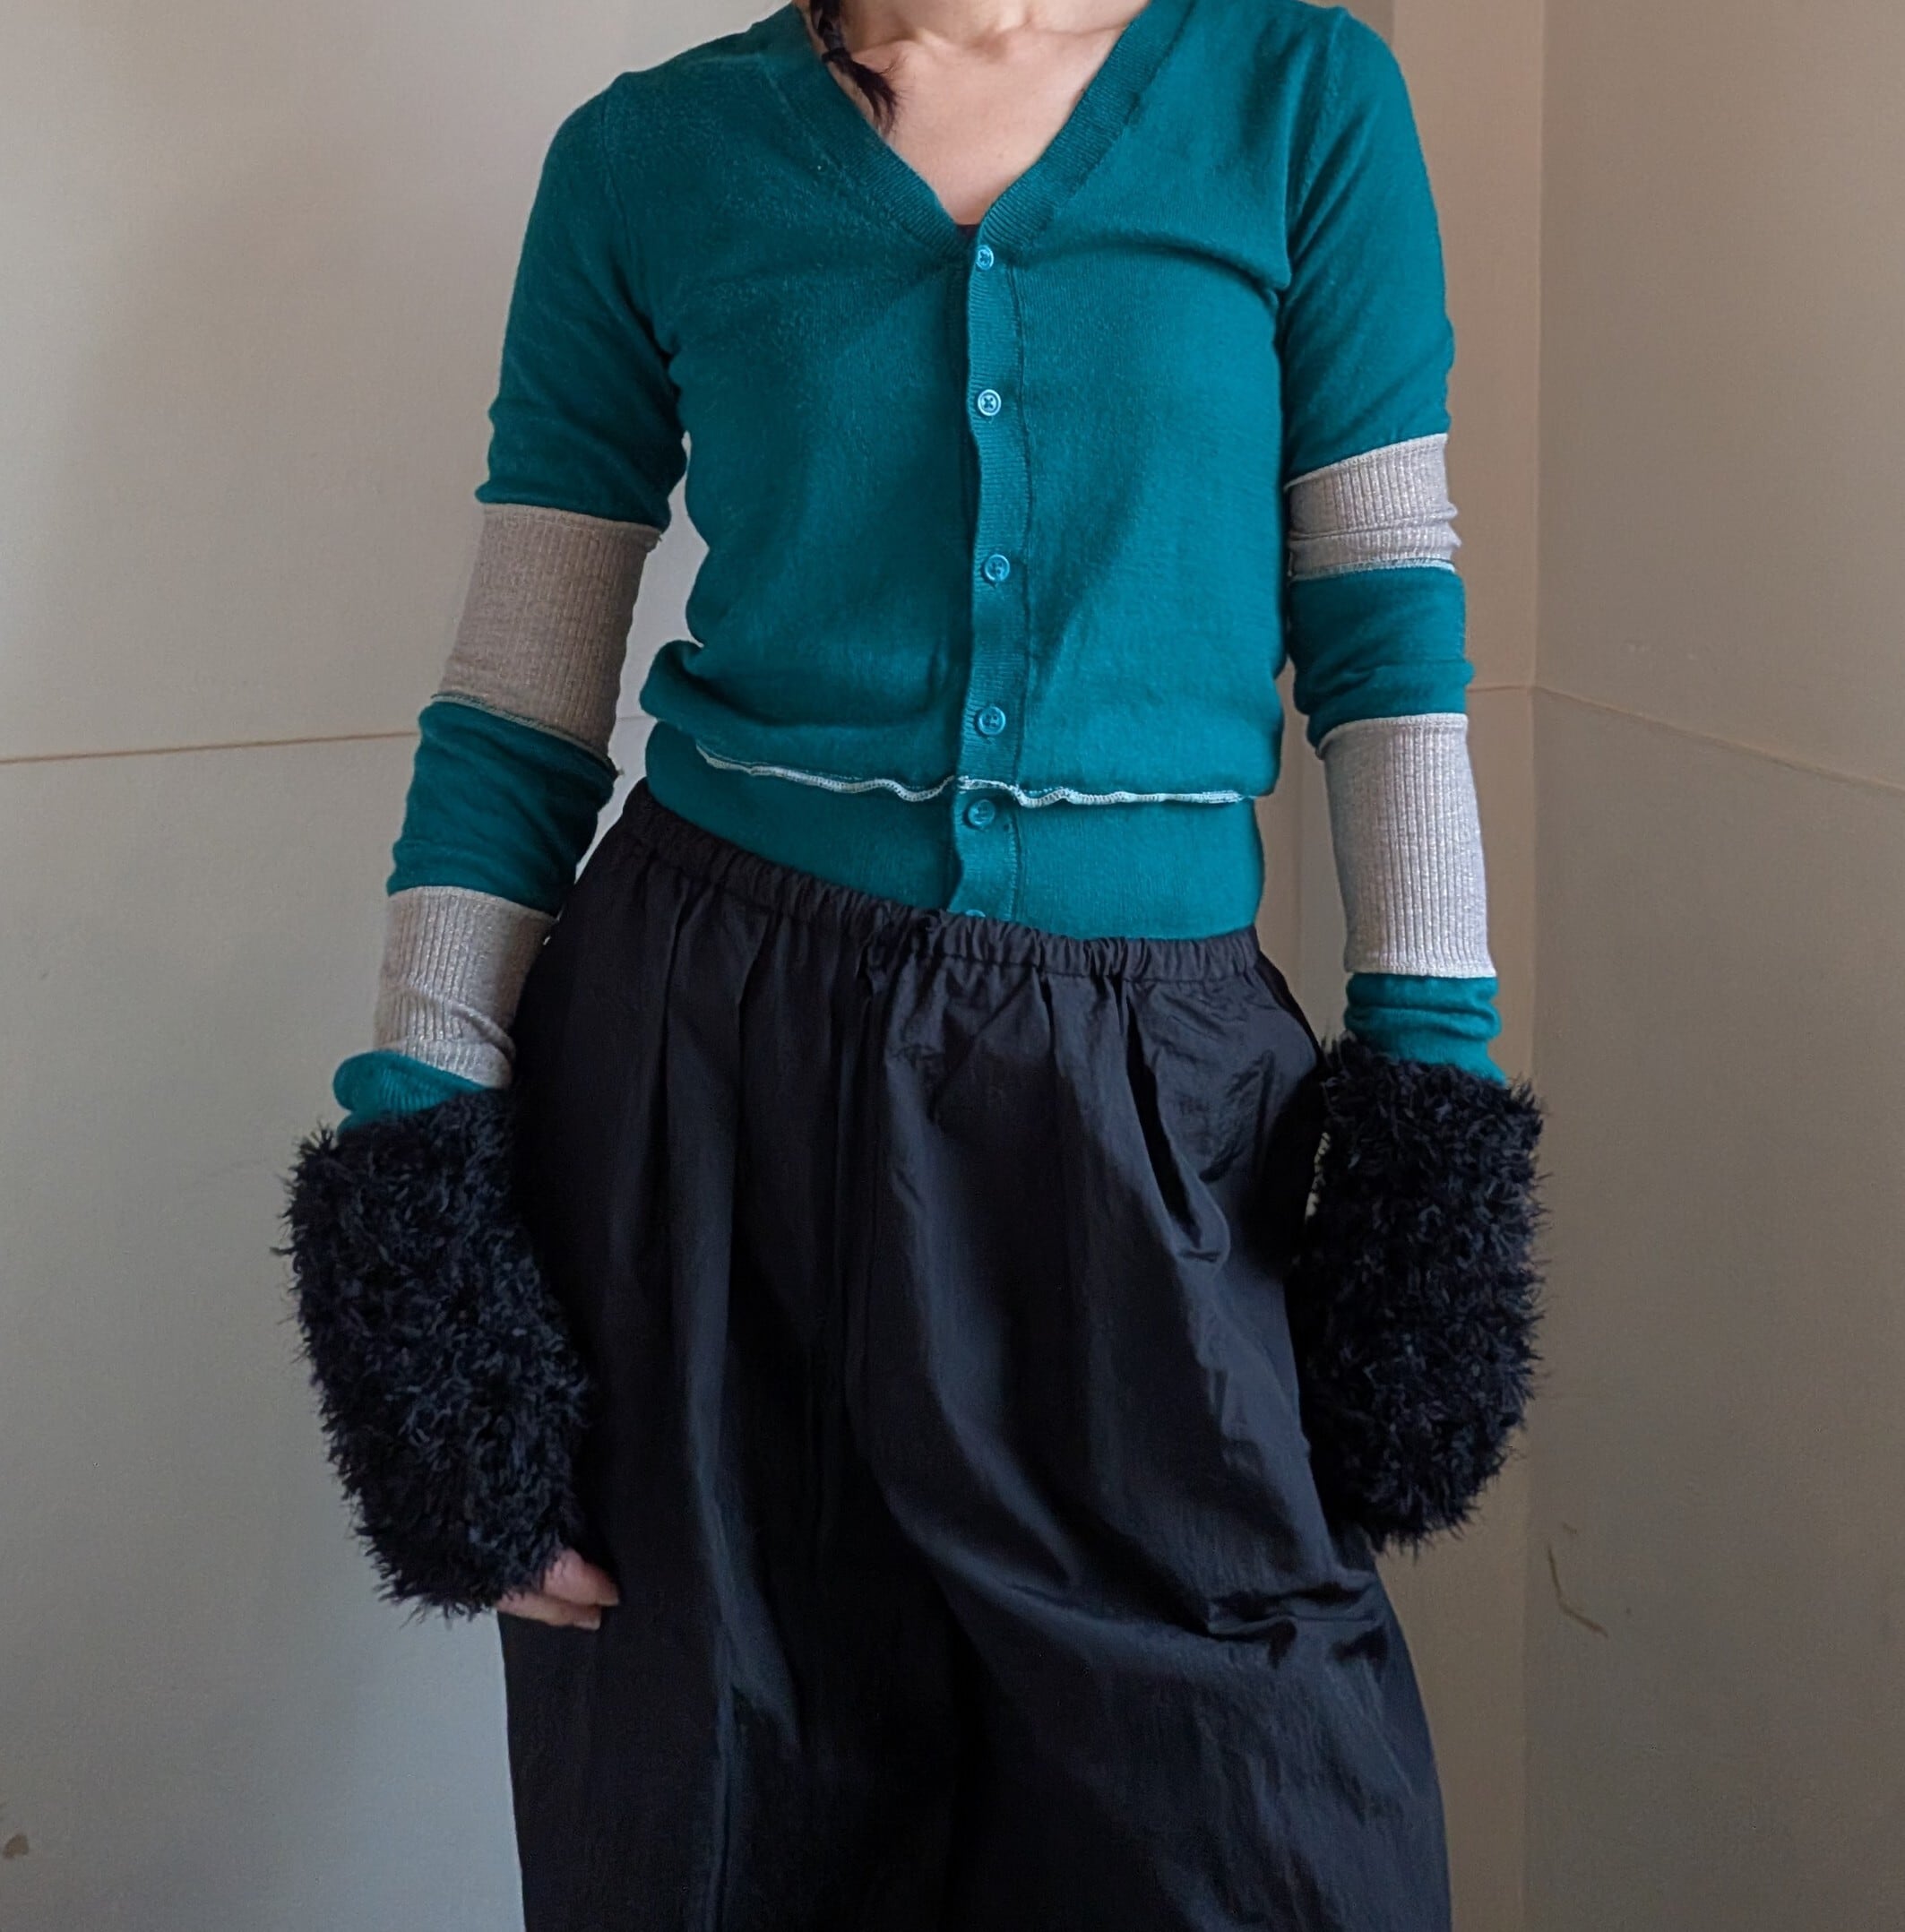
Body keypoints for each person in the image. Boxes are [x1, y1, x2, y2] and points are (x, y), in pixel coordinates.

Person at [284, 2, 1544, 1926]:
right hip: (705, 1096)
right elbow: (520, 701)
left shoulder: (1297, 97)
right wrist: (420, 1235)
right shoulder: (647, 155)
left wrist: (1428, 1101)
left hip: (1150, 1101)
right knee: (722, 1829)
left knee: (1273, 1839)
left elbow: (1386, 632)